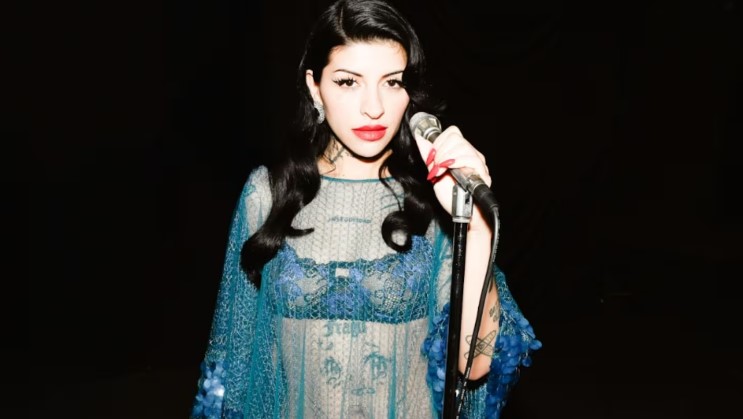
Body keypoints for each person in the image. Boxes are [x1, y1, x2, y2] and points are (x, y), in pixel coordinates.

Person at [191, 0, 540, 417]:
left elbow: (476, 364)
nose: (373, 107)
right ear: (314, 87)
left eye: (392, 82)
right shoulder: (267, 194)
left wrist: (477, 226)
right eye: (348, 82)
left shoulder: (433, 204)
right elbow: (232, 370)